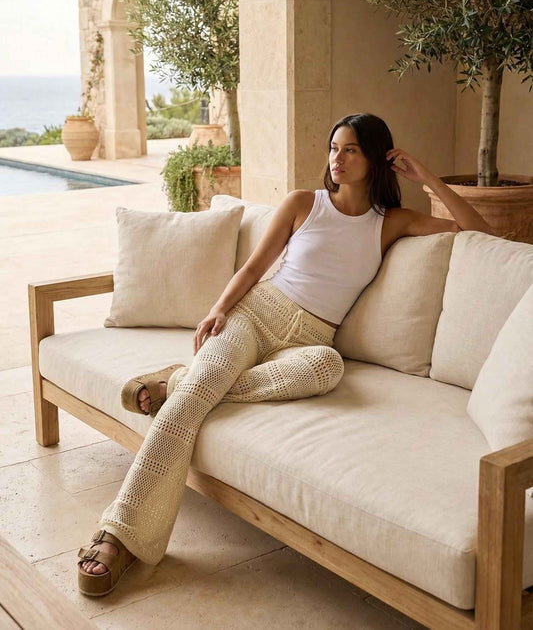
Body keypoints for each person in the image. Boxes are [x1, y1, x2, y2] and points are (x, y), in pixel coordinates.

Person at [77, 112, 493, 595]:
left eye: (351, 149)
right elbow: (254, 268)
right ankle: (120, 534)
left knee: (327, 367)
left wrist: (427, 178)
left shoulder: (391, 222)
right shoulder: (303, 204)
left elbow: (479, 232)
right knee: (190, 406)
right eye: (334, 147)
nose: (337, 158)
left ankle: (176, 382)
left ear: (376, 158)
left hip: (311, 341)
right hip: (255, 315)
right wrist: (219, 309)